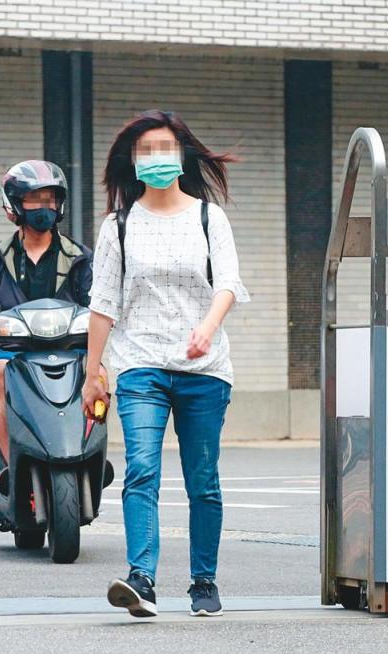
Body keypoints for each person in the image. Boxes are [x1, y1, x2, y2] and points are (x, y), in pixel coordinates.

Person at [83, 110, 250, 618]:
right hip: (140, 366)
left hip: (204, 371)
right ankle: (142, 579)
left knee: (203, 479)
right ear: (132, 162)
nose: (156, 158)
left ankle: (204, 581)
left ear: (182, 156)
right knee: (142, 470)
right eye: (145, 151)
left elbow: (228, 284)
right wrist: (93, 371)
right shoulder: (119, 226)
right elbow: (104, 301)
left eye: (164, 148)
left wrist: (207, 328)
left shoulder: (208, 217)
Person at [0, 160, 93, 494]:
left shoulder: (79, 257)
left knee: (99, 374)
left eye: (50, 198)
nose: (44, 207)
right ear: (14, 205)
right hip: (12, 352)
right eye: (35, 199)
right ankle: (10, 466)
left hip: (69, 349)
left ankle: (88, 452)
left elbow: (100, 299)